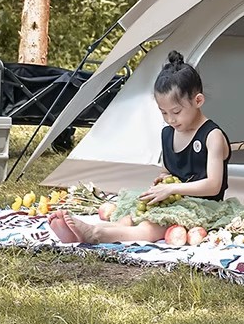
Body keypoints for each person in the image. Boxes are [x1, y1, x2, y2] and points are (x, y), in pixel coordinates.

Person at [49, 50, 232, 245]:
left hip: (203, 206)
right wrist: (163, 180)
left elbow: (213, 185)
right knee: (131, 217)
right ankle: (83, 228)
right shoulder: (168, 132)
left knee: (152, 226)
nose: (170, 119)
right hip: (173, 199)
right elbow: (168, 170)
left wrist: (171, 188)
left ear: (198, 101)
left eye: (176, 112)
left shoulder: (212, 136)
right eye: (164, 113)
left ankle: (96, 235)